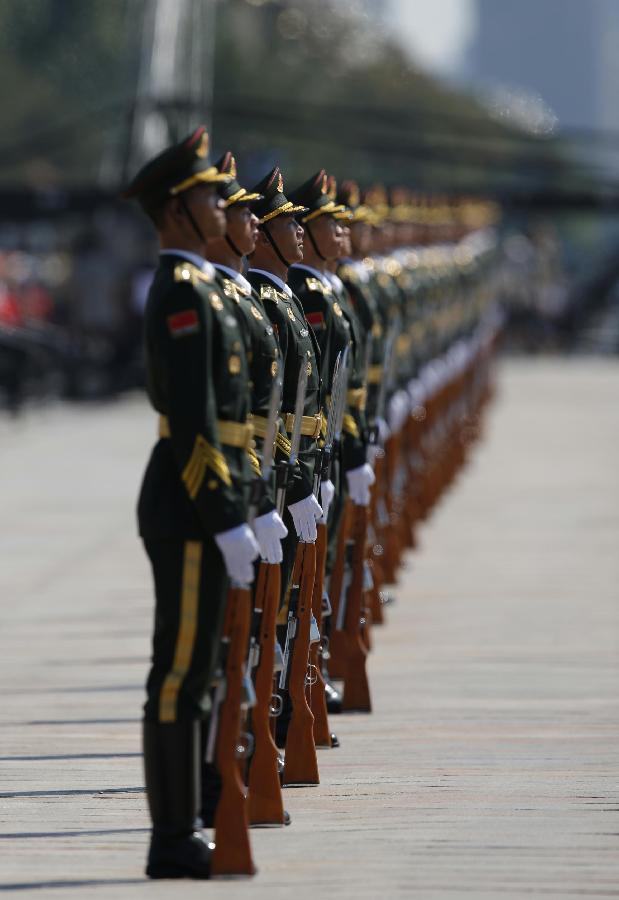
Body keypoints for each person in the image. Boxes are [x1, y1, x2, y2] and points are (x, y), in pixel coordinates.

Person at [122, 126, 260, 880]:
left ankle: (198, 809)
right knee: (178, 668)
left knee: (203, 665)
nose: (219, 203)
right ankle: (171, 834)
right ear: (176, 211)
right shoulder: (178, 294)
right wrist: (225, 514)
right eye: (208, 194)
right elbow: (195, 423)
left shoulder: (201, 287)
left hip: (205, 500)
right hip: (185, 503)